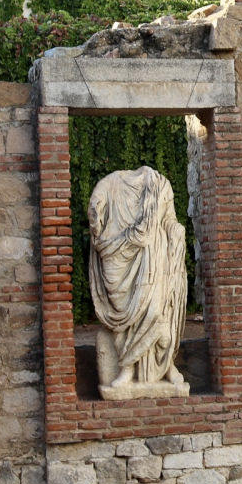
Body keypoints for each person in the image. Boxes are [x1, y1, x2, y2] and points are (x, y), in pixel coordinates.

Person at [88, 166, 188, 398]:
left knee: (157, 313)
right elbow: (96, 207)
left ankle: (166, 366)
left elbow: (169, 219)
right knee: (119, 315)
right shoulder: (110, 183)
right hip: (115, 254)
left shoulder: (159, 184)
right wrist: (96, 216)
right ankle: (127, 369)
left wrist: (177, 230)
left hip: (151, 259)